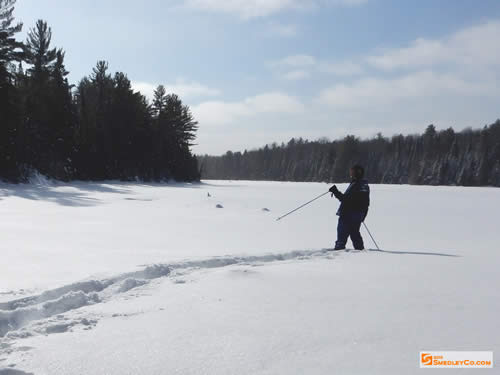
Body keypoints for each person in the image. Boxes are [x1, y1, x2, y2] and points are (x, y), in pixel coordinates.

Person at [329, 165, 370, 250]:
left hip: (347, 215)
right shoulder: (364, 185)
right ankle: (360, 252)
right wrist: (363, 216)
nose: (350, 174)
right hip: (357, 215)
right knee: (355, 234)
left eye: (352, 172)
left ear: (357, 173)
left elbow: (345, 200)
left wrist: (335, 191)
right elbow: (366, 203)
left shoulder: (356, 185)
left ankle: (338, 252)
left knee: (342, 236)